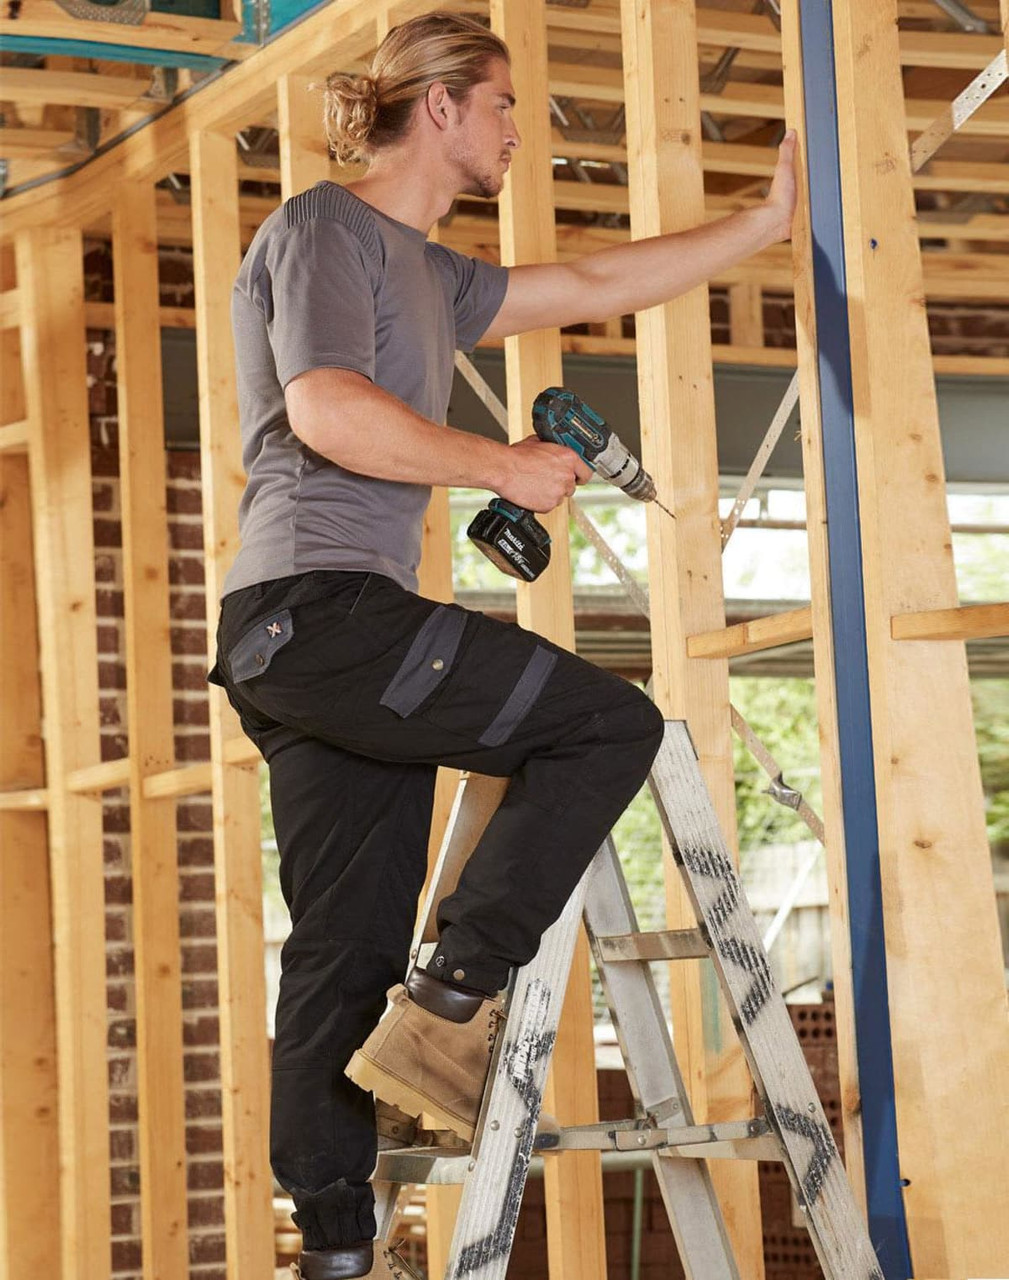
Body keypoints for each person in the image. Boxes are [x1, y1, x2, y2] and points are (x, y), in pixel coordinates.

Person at [209, 11, 797, 1278]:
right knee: (609, 722)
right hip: (321, 606)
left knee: (339, 943)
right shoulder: (325, 227)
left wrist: (758, 225)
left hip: (296, 638)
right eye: (506, 104)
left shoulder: (436, 272)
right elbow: (326, 407)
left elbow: (588, 285)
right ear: (442, 108)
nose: (520, 128)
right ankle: (451, 1005)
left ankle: (334, 1246)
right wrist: (503, 464)